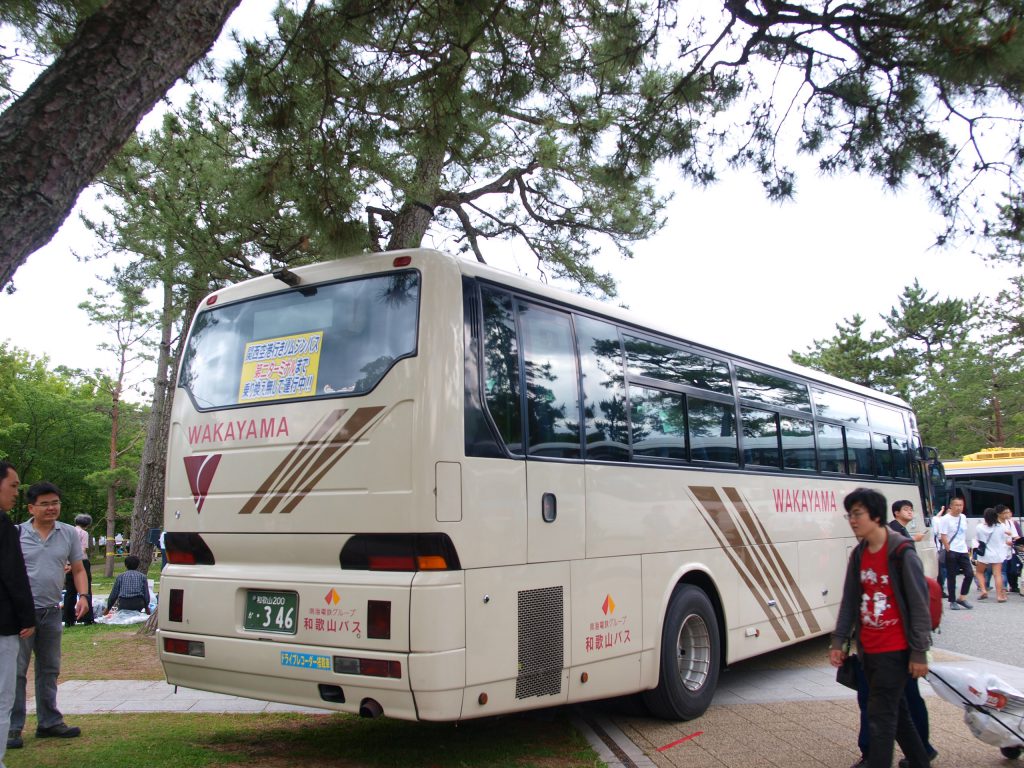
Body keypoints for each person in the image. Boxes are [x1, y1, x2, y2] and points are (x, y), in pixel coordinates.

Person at [830, 488, 932, 768]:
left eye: (857, 514)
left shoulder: (901, 552)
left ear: (876, 516)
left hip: (895, 650)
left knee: (880, 719)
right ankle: (921, 762)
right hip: (869, 650)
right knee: (897, 714)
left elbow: (919, 605)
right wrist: (839, 641)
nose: (852, 520)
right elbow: (850, 600)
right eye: (849, 514)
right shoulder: (860, 554)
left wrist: (919, 652)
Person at [9, 482, 87, 748]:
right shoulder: (15, 533)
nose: (51, 508)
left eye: (55, 502)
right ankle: (12, 727)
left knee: (49, 669)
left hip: (52, 611)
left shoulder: (68, 533)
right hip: (21, 614)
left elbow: (78, 568)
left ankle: (49, 722)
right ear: (31, 507)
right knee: (16, 671)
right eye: (45, 503)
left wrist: (83, 597)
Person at [0, 462, 35, 763]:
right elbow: (14, 574)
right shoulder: (4, 527)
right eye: (12, 486)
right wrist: (27, 617)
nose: (16, 493)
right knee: (2, 698)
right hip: (3, 626)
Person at [935, 496, 973, 610]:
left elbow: (963, 534)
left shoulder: (963, 517)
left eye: (961, 505)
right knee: (952, 576)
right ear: (951, 506)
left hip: (963, 550)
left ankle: (962, 597)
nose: (959, 508)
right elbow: (943, 535)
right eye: (956, 505)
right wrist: (948, 549)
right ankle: (952, 600)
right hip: (951, 550)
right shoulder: (945, 519)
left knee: (969, 573)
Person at [62, 514, 94, 627]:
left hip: (68, 561)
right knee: (85, 590)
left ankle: (68, 619)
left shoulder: (68, 532)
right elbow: (82, 549)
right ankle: (87, 618)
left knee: (70, 591)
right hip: (81, 561)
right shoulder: (83, 533)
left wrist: (68, 563)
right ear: (87, 524)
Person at [973, 506, 1011, 602]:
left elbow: (978, 540)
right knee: (997, 574)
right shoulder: (1001, 526)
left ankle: (983, 590)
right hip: (997, 553)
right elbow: (1007, 535)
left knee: (979, 572)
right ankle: (999, 596)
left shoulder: (979, 527)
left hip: (984, 554)